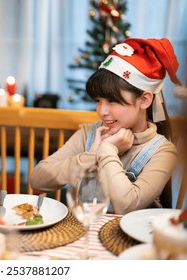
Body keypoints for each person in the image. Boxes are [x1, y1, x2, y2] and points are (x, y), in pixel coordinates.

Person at [30, 38, 182, 215]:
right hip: (84, 236)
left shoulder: (163, 152)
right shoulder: (89, 134)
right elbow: (37, 179)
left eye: (112, 101)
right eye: (98, 101)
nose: (102, 111)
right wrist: (92, 155)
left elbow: (127, 206)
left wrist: (107, 150)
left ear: (144, 100)